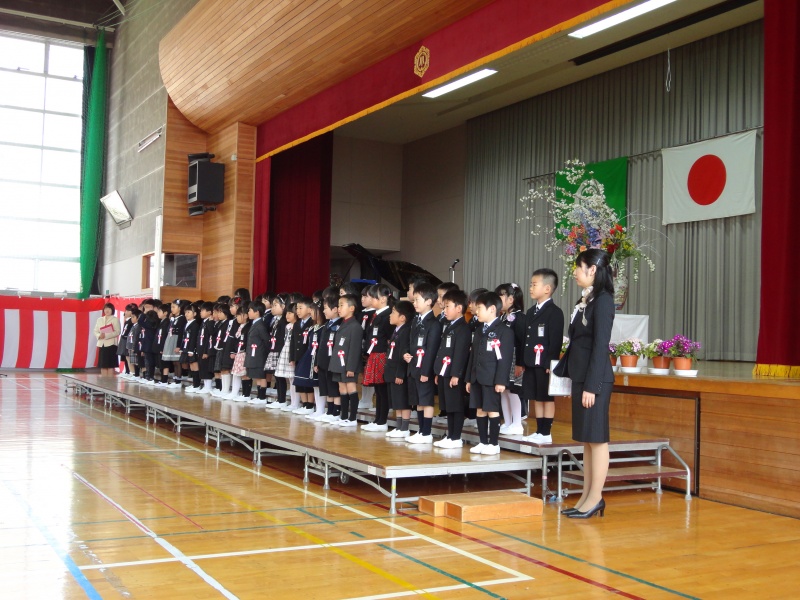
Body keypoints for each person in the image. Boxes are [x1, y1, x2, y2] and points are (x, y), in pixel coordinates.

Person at [555, 248, 615, 519]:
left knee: (597, 439)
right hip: (583, 377)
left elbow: (601, 346)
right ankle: (586, 496)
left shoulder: (603, 301)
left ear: (592, 270)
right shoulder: (588, 300)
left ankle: (595, 498)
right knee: (587, 441)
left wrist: (592, 386)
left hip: (595, 380)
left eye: (578, 268)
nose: (575, 273)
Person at [465, 291, 514, 455]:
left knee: (492, 410)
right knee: (479, 409)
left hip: (492, 378)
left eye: (479, 308)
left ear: (492, 309)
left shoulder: (504, 331)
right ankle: (483, 442)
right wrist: (469, 378)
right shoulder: (479, 330)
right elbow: (473, 356)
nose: (476, 311)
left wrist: (501, 381)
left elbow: (505, 359)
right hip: (477, 377)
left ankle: (494, 443)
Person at [524, 269, 565, 444]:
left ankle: (546, 432)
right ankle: (539, 430)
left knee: (546, 397)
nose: (531, 288)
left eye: (534, 284)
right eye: (531, 284)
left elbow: (555, 340)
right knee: (536, 396)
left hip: (545, 363)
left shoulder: (555, 312)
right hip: (532, 361)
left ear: (547, 289)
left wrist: (550, 362)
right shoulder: (531, 311)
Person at [403, 282, 443, 444]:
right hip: (413, 366)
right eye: (414, 300)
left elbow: (432, 350)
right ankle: (421, 431)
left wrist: (426, 372)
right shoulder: (415, 320)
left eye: (417, 300)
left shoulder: (434, 324)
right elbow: (410, 341)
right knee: (418, 400)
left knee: (426, 400)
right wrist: (406, 353)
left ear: (428, 301)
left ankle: (427, 433)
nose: (415, 303)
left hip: (424, 369)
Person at [432, 289, 471, 448]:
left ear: (459, 308)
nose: (444, 310)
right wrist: (438, 371)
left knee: (456, 405)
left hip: (454, 374)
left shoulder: (463, 328)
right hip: (444, 372)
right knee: (448, 406)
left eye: (448, 306)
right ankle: (450, 435)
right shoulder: (449, 326)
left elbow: (460, 354)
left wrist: (456, 374)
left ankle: (456, 437)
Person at [361, 284, 394, 432]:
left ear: (383, 299)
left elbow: (390, 338)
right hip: (374, 354)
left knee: (382, 389)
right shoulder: (375, 315)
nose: (371, 300)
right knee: (378, 389)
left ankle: (382, 421)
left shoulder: (388, 316)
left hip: (382, 355)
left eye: (374, 297)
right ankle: (377, 420)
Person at [496, 282, 526, 435]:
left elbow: (521, 342)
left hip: (514, 359)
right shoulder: (502, 317)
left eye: (501, 296)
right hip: (504, 358)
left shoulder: (519, 318)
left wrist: (520, 363)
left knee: (513, 391)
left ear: (511, 299)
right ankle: (507, 422)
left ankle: (517, 423)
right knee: (504, 391)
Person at [328, 293, 363, 427]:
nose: (339, 308)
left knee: (350, 388)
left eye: (342, 305)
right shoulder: (343, 323)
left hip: (348, 364)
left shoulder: (355, 326)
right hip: (339, 362)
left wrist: (351, 367)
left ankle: (352, 418)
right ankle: (343, 416)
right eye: (338, 306)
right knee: (342, 388)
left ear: (351, 308)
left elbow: (355, 349)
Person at [384, 300, 414, 438]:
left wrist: (400, 374)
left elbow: (403, 353)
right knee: (396, 401)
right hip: (392, 370)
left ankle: (404, 428)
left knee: (403, 400)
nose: (390, 315)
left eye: (393, 312)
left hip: (399, 372)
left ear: (402, 317)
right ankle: (399, 426)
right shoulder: (397, 331)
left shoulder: (406, 331)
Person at [315, 295, 342, 422]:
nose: (323, 311)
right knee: (326, 387)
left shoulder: (340, 325)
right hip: (323, 361)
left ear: (335, 309)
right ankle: (329, 410)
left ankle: (336, 412)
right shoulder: (327, 325)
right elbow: (321, 345)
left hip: (332, 362)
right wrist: (317, 362)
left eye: (326, 308)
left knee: (334, 388)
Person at [244, 300, 270, 405]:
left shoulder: (260, 325)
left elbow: (267, 341)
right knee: (257, 376)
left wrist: (263, 353)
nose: (248, 312)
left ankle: (262, 397)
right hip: (254, 354)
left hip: (259, 355)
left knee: (261, 376)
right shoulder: (255, 324)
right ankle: (259, 396)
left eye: (250, 310)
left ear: (257, 312)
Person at [94, 302, 121, 377]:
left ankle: (110, 381)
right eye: (105, 309)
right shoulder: (100, 319)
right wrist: (99, 335)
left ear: (112, 310)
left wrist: (106, 335)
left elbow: (117, 331)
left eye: (109, 309)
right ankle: (104, 381)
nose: (107, 310)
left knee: (110, 365)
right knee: (103, 365)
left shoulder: (115, 319)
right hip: (102, 344)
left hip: (111, 344)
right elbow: (95, 331)